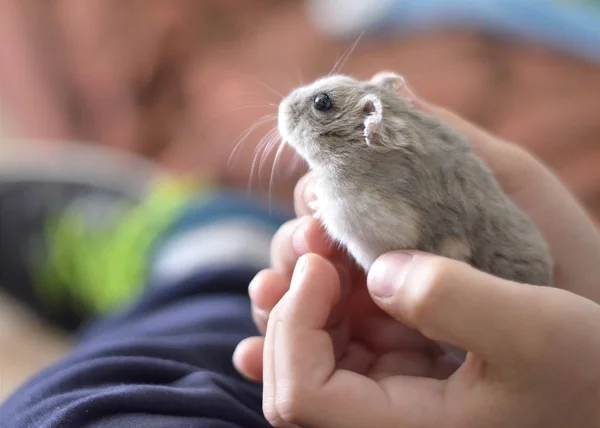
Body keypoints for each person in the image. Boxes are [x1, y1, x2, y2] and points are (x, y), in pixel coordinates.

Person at [1, 87, 600, 427]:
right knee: (229, 338)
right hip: (432, 351)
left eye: (322, 109)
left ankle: (212, 245)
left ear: (372, 128)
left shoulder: (392, 170)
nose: (288, 111)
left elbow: (410, 231)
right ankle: (210, 253)